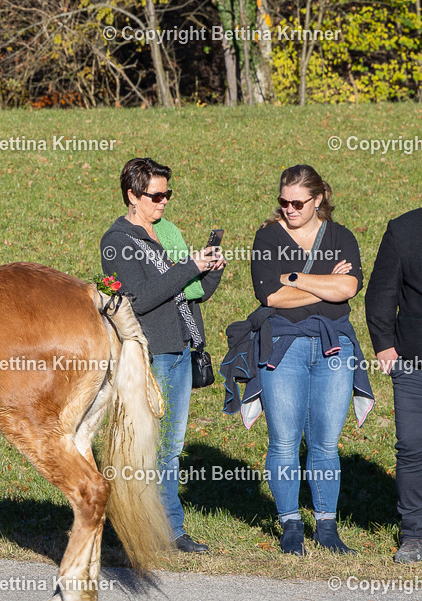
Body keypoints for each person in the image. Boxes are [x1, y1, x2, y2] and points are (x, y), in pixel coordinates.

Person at [100, 157, 224, 553]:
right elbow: (138, 300)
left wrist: (211, 267)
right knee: (140, 446)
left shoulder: (165, 234)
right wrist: (188, 266)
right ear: (132, 196)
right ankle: (132, 528)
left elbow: (192, 293)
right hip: (150, 355)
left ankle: (170, 530)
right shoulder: (118, 242)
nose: (164, 201)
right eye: (156, 195)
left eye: (167, 193)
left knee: (169, 447)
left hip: (181, 349)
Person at [247, 164, 372, 555]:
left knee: (325, 443)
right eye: (283, 201)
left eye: (298, 202)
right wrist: (324, 285)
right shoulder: (267, 237)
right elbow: (269, 296)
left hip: (334, 348)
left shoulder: (340, 236)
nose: (289, 209)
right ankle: (290, 525)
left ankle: (328, 527)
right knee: (284, 441)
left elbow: (348, 287)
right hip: (284, 345)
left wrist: (295, 278)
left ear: (318, 200)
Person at [364, 207, 422, 564]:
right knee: (413, 447)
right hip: (413, 363)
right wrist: (385, 347)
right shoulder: (403, 229)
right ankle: (414, 532)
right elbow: (382, 291)